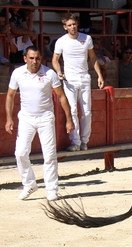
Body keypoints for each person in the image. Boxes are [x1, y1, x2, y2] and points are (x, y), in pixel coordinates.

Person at [4, 46, 74, 201]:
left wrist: (69, 119)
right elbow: (10, 96)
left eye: (37, 58)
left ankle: (52, 188)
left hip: (45, 117)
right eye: (31, 58)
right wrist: (9, 118)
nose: (34, 61)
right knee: (20, 152)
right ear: (25, 59)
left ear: (41, 58)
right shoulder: (18, 73)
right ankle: (29, 184)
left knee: (49, 154)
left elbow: (61, 96)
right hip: (26, 118)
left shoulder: (49, 73)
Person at [52, 13, 104, 152]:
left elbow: (93, 58)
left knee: (87, 112)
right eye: (69, 25)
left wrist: (99, 75)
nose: (72, 27)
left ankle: (84, 141)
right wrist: (58, 72)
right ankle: (75, 141)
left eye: (74, 24)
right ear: (65, 27)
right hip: (70, 79)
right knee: (73, 110)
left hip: (84, 77)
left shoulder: (86, 38)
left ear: (77, 24)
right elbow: (55, 60)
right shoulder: (61, 41)